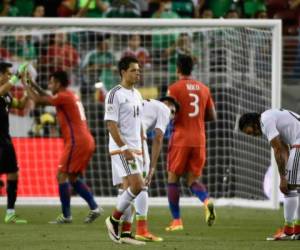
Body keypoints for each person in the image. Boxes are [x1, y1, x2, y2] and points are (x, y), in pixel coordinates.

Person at [22, 69, 101, 224]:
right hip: (86, 140)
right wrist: (32, 83)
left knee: (61, 176)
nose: (49, 84)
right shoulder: (69, 95)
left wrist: (24, 84)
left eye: (51, 82)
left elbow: (38, 100)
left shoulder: (63, 97)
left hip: (77, 141)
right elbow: (47, 95)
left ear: (58, 83)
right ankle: (94, 208)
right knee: (72, 177)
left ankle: (66, 215)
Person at [112, 96, 180, 242]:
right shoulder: (164, 108)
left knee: (126, 186)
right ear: (167, 104)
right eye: (173, 111)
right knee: (142, 185)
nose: (171, 115)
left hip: (117, 137)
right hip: (134, 137)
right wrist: (153, 168)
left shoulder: (145, 104)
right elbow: (158, 137)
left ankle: (123, 232)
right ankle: (139, 229)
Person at [165, 54, 217, 231]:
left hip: (181, 138)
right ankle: (206, 200)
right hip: (199, 139)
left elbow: (168, 113)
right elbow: (212, 116)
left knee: (173, 179)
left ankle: (177, 221)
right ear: (191, 69)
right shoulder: (204, 88)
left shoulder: (174, 88)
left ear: (177, 69)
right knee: (193, 180)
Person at [239, 110, 300, 240]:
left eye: (250, 132)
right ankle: (296, 230)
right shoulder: (271, 116)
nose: (253, 135)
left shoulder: (265, 121)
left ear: (252, 123)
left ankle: (289, 232)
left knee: (290, 188)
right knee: (295, 188)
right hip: (297, 142)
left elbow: (278, 150)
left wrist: (283, 178)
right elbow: (284, 149)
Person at [104, 56, 145, 245]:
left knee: (128, 189)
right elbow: (111, 124)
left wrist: (140, 146)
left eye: (138, 70)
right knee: (137, 185)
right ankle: (113, 219)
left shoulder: (137, 94)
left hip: (135, 148)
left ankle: (127, 233)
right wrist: (124, 147)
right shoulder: (115, 94)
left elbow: (139, 124)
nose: (138, 73)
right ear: (123, 72)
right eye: (133, 70)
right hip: (121, 149)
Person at [0, 62, 28, 223]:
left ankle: (10, 212)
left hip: (5, 140)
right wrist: (17, 76)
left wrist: (26, 86)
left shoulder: (7, 96)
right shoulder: (2, 91)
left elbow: (21, 105)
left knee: (12, 174)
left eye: (11, 74)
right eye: (7, 74)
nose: (9, 76)